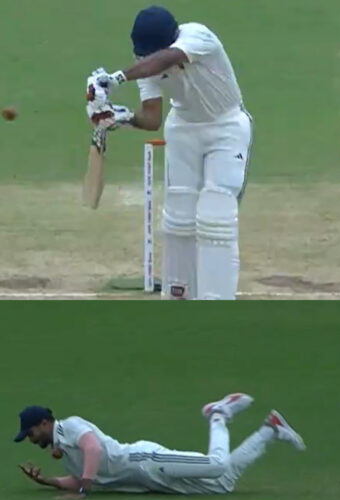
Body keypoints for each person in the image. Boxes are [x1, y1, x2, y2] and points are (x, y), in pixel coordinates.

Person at [86, 5, 253, 300]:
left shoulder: (197, 36)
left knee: (215, 215)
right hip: (184, 131)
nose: (143, 59)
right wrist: (122, 117)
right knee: (179, 217)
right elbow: (152, 118)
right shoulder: (146, 64)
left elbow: (168, 58)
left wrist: (116, 78)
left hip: (226, 128)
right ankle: (179, 296)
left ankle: (216, 301)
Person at [14, 393, 304, 499]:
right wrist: (47, 481)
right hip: (150, 482)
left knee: (217, 464)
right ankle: (270, 430)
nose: (30, 439)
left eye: (31, 432)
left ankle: (219, 414)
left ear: (44, 423)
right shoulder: (65, 452)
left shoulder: (71, 425)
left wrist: (83, 491)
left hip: (147, 461)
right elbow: (82, 477)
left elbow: (94, 449)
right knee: (222, 484)